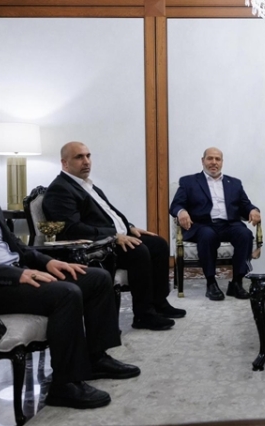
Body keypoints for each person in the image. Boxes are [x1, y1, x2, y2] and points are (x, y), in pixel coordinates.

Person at [0, 130, 140, 409]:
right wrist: (18, 274)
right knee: (66, 293)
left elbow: (15, 246)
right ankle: (65, 385)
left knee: (96, 277)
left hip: (11, 276)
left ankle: (96, 358)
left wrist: (47, 262)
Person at [43, 142, 185, 331]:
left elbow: (109, 215)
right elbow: (72, 229)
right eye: (79, 157)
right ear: (64, 163)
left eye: (88, 156)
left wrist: (130, 228)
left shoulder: (87, 185)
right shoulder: (60, 189)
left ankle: (159, 303)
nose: (86, 161)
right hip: (97, 246)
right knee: (138, 250)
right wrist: (114, 236)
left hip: (113, 237)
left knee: (158, 244)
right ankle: (144, 314)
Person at [169, 147, 261, 301]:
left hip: (229, 224)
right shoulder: (189, 182)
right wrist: (181, 212)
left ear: (222, 162)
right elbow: (175, 205)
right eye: (210, 158)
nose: (214, 162)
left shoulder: (234, 183)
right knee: (208, 235)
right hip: (202, 225)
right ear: (203, 161)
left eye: (217, 159)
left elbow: (245, 205)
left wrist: (253, 210)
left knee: (245, 234)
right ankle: (211, 283)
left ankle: (237, 282)